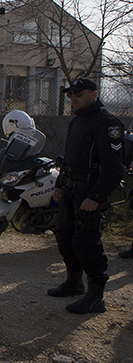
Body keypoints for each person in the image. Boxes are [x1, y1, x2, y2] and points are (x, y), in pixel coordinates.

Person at [47, 77, 125, 314]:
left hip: (88, 195)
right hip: (71, 191)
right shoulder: (76, 122)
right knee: (64, 236)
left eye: (78, 95)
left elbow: (114, 168)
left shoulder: (107, 124)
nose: (73, 99)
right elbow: (69, 160)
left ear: (94, 94)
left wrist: (96, 197)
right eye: (71, 95)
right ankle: (73, 282)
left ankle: (95, 297)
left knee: (87, 244)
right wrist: (60, 183)